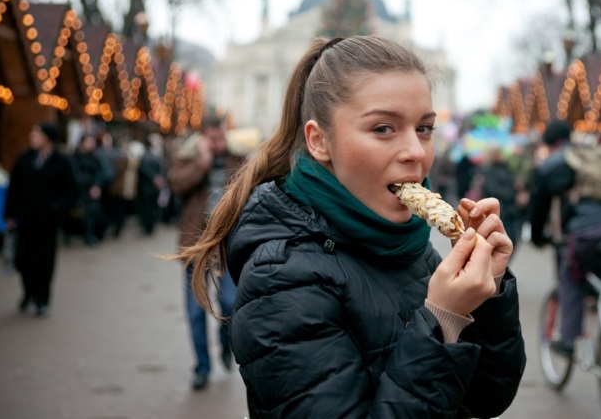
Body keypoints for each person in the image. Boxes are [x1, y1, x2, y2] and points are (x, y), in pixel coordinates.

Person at [176, 36, 526, 417]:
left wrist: (487, 295)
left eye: (424, 128)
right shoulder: (282, 276)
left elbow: (488, 398)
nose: (415, 151)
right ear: (319, 141)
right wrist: (441, 322)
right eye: (383, 129)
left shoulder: (409, 244)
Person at [528, 123, 601, 357]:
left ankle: (568, 341)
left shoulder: (566, 163)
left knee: (571, 279)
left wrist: (537, 236)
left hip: (589, 233)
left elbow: (538, 200)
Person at [167, 116, 246, 391]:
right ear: (202, 137)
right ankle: (202, 367)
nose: (216, 143)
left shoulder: (237, 158)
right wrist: (201, 165)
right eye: (211, 138)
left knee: (230, 302)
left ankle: (226, 345)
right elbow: (176, 185)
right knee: (194, 311)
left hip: (226, 245)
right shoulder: (188, 157)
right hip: (195, 246)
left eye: (220, 137)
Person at [4, 122, 77, 316]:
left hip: (48, 223)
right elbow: (14, 188)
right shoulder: (25, 158)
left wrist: (57, 208)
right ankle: (28, 292)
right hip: (26, 220)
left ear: (48, 138)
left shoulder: (61, 161)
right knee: (23, 259)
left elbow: (71, 189)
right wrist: (10, 215)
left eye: (36, 134)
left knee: (45, 262)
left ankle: (42, 300)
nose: (32, 136)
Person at [71, 134, 108, 246]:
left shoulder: (94, 157)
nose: (91, 145)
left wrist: (96, 186)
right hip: (79, 191)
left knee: (92, 213)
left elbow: (99, 173)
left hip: (92, 191)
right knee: (77, 213)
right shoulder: (75, 157)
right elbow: (74, 174)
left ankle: (89, 235)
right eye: (89, 142)